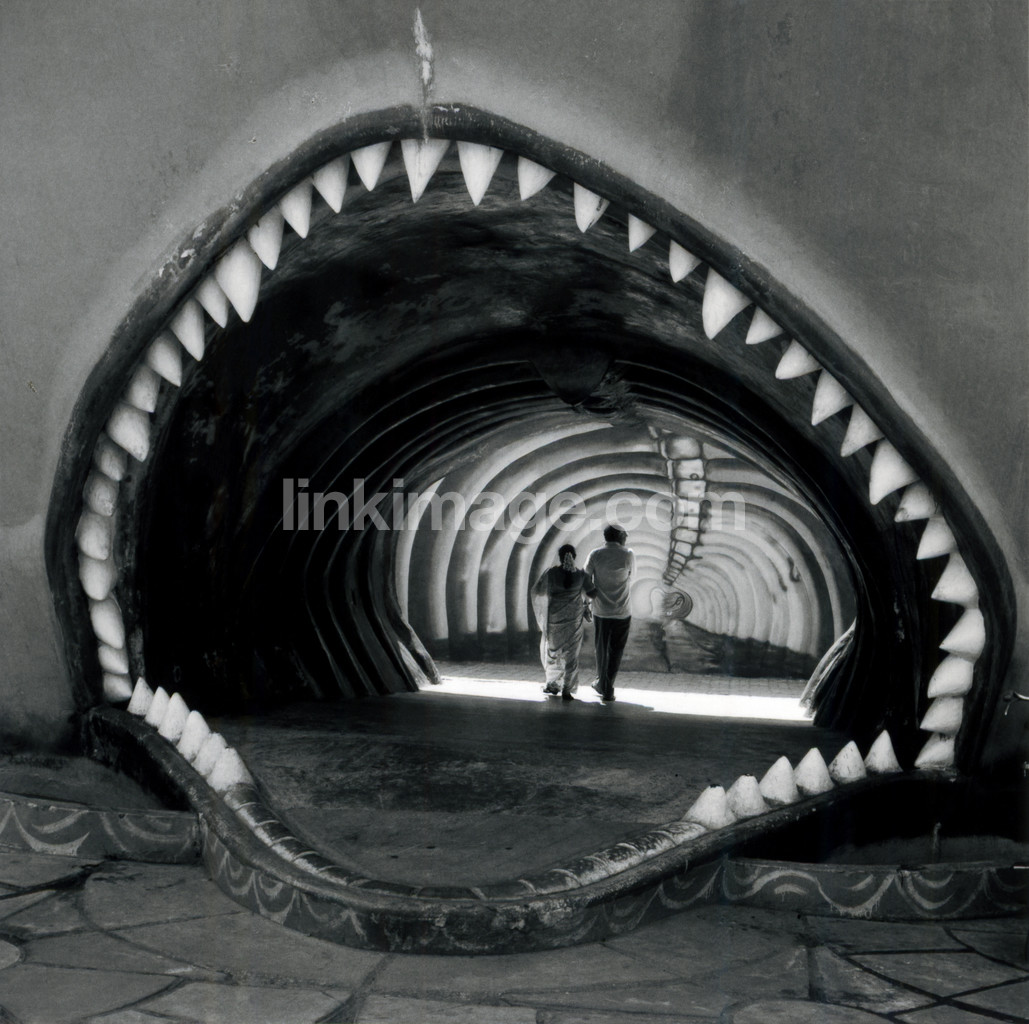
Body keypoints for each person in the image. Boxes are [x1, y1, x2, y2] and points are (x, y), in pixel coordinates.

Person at [531, 544, 596, 701]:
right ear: (574, 557)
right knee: (571, 655)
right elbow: (592, 593)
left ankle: (553, 684)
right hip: (574, 620)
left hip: (555, 619)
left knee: (554, 652)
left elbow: (538, 591)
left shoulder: (551, 573)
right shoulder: (581, 575)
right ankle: (567, 688)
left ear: (560, 558)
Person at [584, 525, 635, 702]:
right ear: (619, 536)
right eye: (625, 535)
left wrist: (586, 603)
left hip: (600, 611)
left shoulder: (595, 554)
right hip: (622, 611)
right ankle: (608, 686)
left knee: (601, 648)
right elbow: (632, 577)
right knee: (616, 650)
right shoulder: (628, 554)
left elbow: (586, 579)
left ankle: (602, 683)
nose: (626, 537)